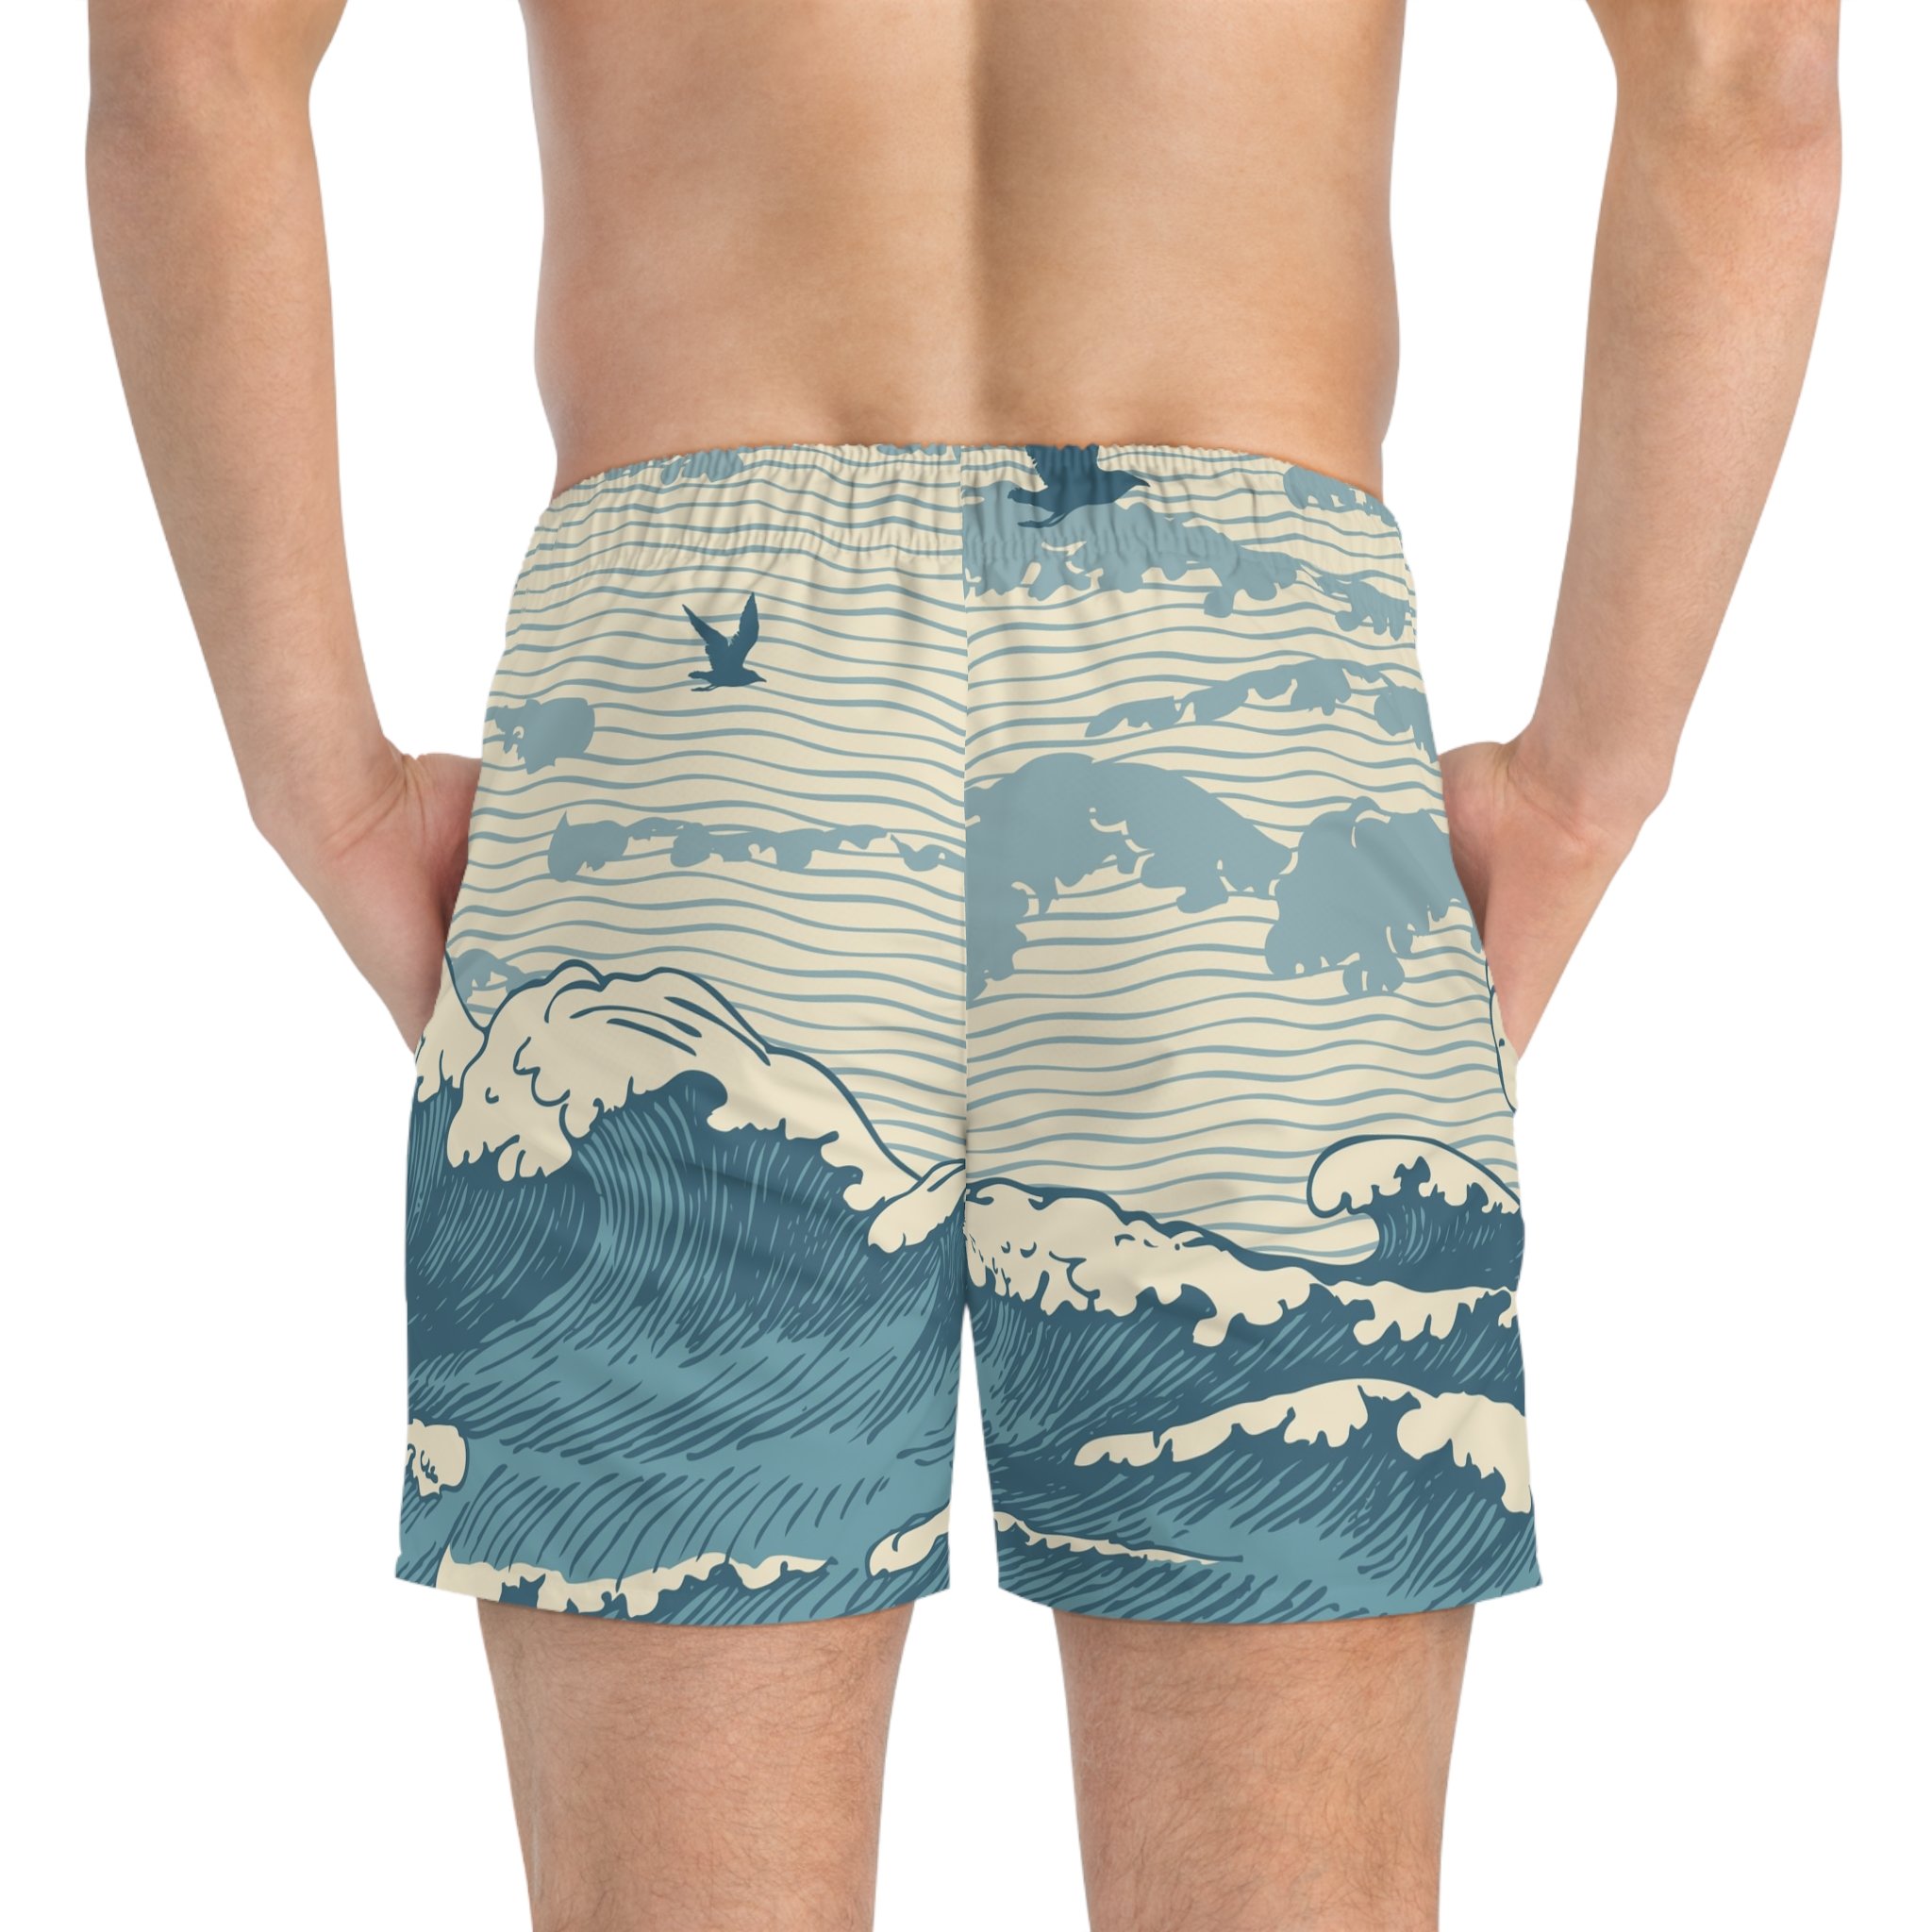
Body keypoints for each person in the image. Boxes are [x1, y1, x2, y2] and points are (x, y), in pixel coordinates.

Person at [86, 2, 1840, 1926]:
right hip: (1242, 681)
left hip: (699, 695)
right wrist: (1587, 779)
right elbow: (1742, 64)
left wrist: (316, 780)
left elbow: (189, 56)